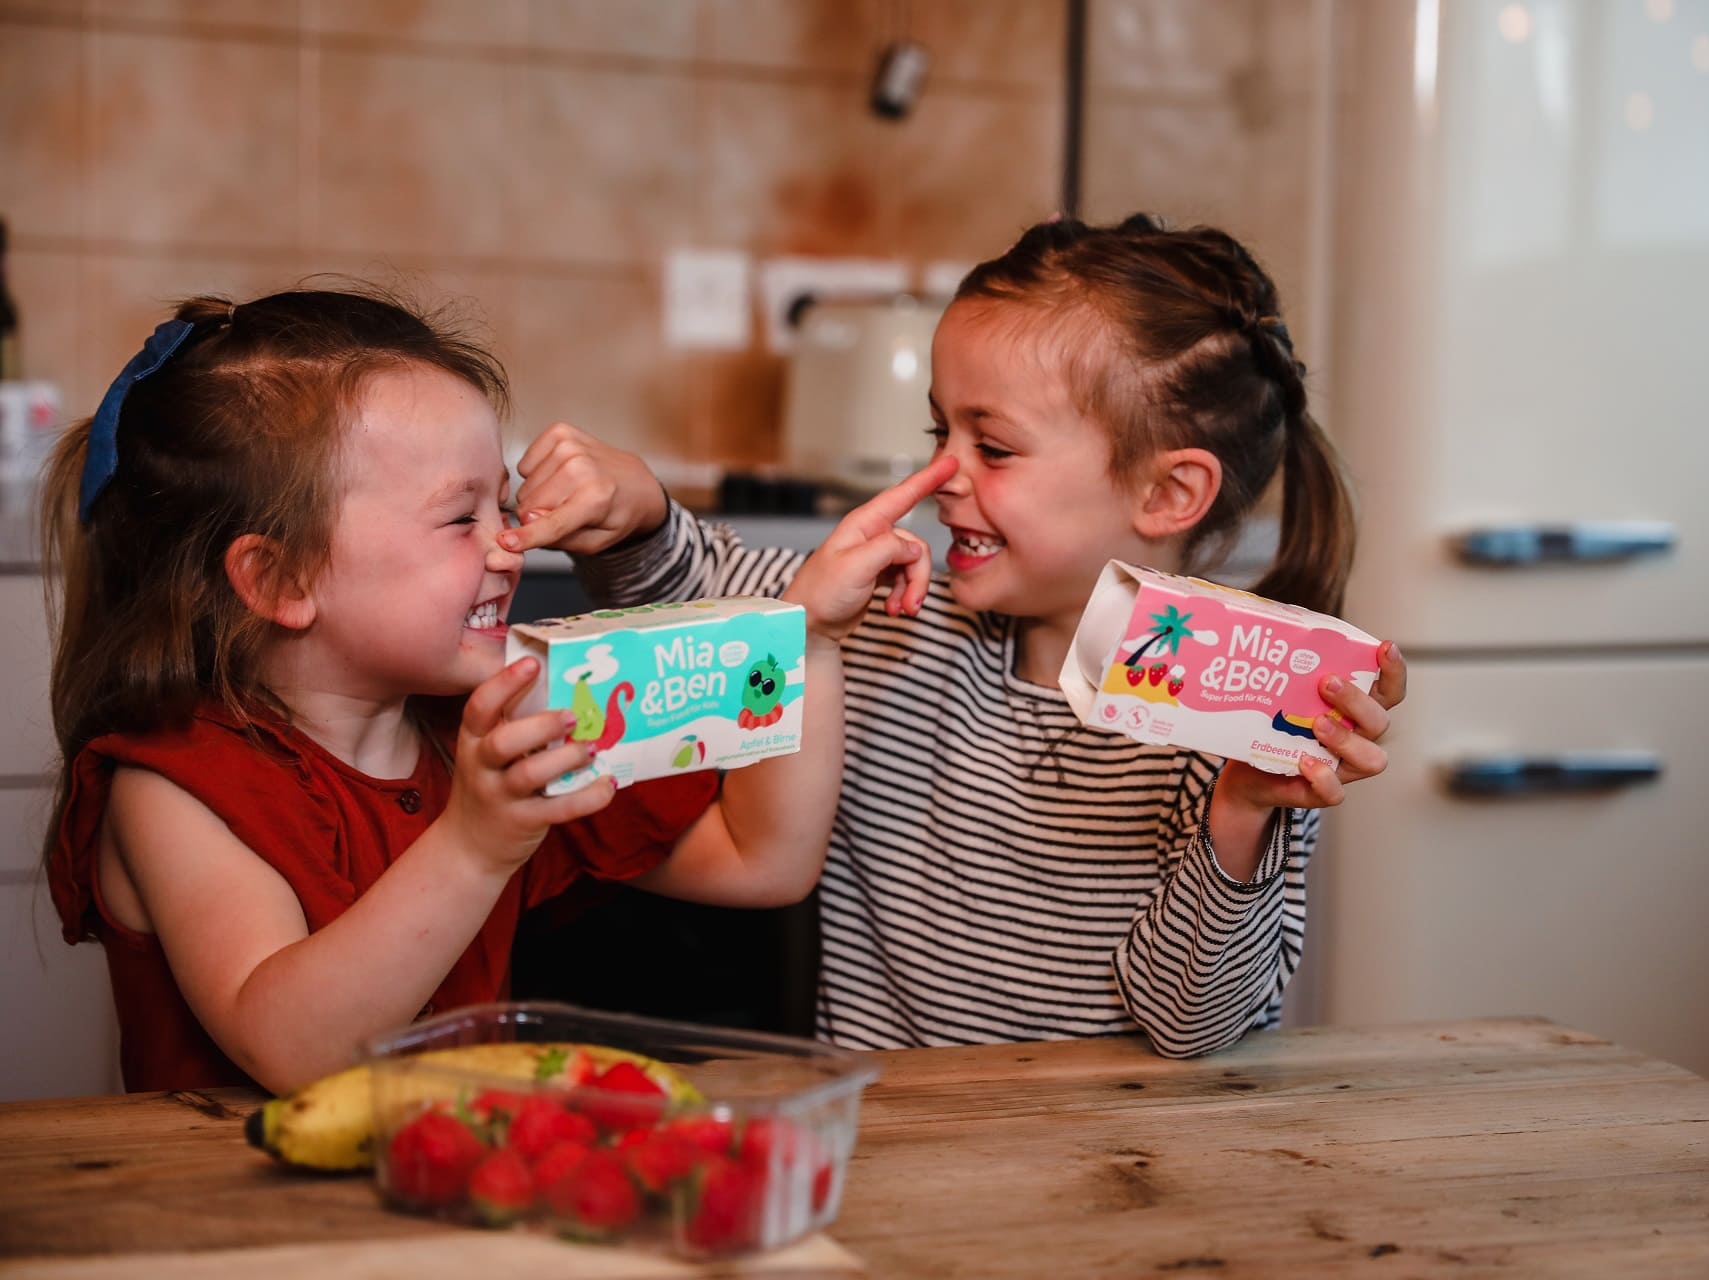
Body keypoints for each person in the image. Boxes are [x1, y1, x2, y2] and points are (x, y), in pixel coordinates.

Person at [506, 216, 1408, 1057]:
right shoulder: (898, 626)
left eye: (995, 449)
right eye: (942, 432)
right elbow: (693, 587)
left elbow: (1192, 1027)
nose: (942, 476)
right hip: (895, 1148)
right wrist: (631, 509)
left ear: (1167, 494)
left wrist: (1240, 813)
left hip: (1118, 1177)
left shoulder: (1226, 728)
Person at [38, 285, 949, 1093]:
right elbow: (292, 1051)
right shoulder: (170, 791)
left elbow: (764, 860)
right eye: (458, 517)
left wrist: (808, 638)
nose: (509, 545)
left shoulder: (485, 731)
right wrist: (477, 844)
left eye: (502, 509)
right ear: (280, 581)